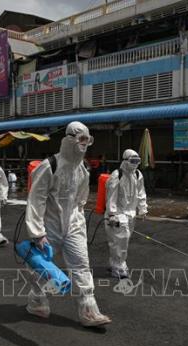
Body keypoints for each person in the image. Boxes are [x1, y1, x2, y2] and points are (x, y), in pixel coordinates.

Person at [25, 121, 111, 327]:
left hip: (74, 225)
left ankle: (89, 310)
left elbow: (81, 199)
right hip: (50, 226)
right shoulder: (49, 166)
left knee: (81, 266)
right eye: (81, 139)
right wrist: (37, 232)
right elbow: (36, 199)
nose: (84, 145)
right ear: (70, 139)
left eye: (87, 140)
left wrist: (78, 220)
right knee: (41, 268)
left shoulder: (82, 169)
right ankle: (36, 300)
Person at [104, 149, 148, 279]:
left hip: (131, 213)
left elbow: (141, 193)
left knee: (123, 241)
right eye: (132, 161)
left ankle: (114, 263)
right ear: (125, 160)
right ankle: (119, 267)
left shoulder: (138, 175)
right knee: (120, 242)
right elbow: (111, 196)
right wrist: (112, 214)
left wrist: (143, 208)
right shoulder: (117, 175)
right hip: (118, 214)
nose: (135, 164)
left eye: (137, 161)